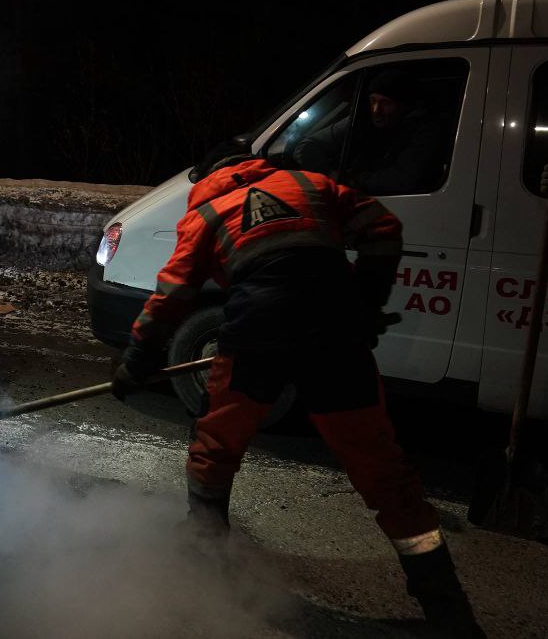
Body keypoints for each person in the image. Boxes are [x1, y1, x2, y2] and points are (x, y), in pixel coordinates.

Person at [110, 144, 483, 637]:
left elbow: (173, 294)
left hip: (254, 339)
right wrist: (364, 305)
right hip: (335, 339)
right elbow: (383, 229)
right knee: (383, 470)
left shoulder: (206, 212)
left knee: (215, 448)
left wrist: (135, 362)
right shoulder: (311, 185)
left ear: (207, 176)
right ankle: (448, 609)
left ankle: (201, 563)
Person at [293, 67, 452, 195]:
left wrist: (352, 181)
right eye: (373, 101)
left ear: (404, 105)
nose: (376, 110)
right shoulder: (361, 121)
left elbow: (405, 179)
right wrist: (331, 174)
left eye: (386, 103)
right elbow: (307, 146)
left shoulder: (425, 130)